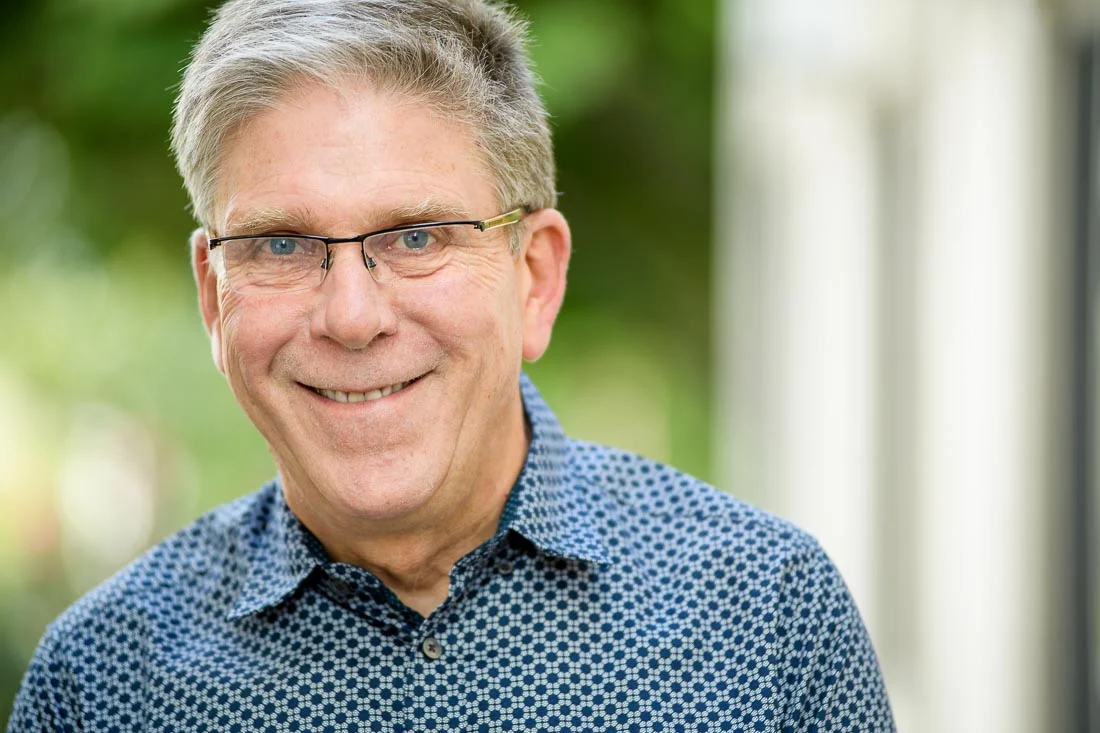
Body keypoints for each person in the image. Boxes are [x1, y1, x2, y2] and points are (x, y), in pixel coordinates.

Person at [8, 1, 895, 730]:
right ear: (214, 296)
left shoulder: (767, 616)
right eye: (280, 243)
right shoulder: (103, 685)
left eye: (418, 236)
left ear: (535, 278)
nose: (351, 316)